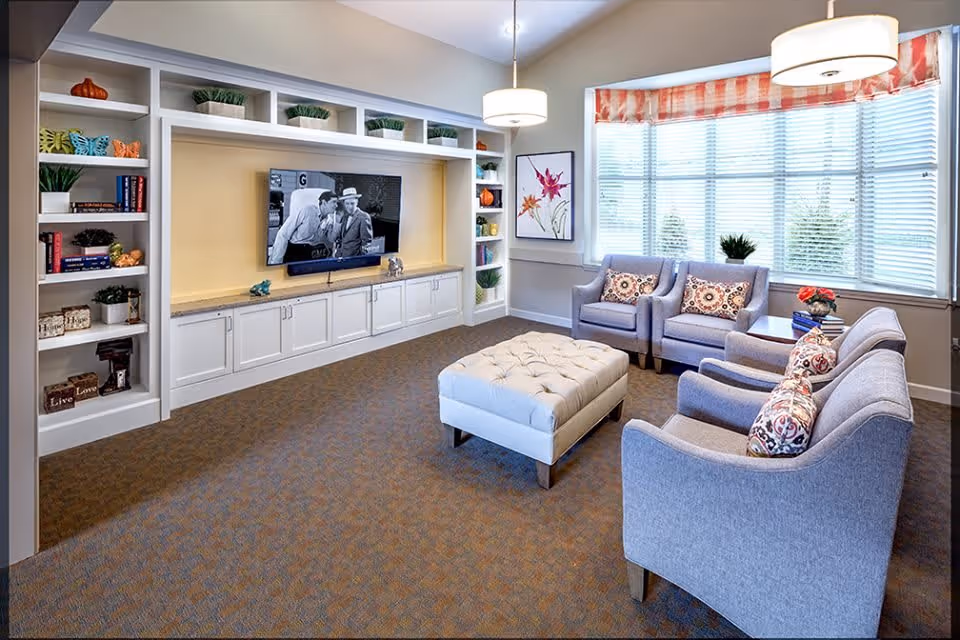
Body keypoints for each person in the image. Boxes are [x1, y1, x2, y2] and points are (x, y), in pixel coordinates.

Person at [269, 191, 338, 264]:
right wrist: (276, 261)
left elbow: (331, 239)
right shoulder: (307, 211)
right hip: (295, 252)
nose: (336, 205)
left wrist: (337, 222)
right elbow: (283, 234)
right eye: (334, 202)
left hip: (310, 253)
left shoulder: (328, 220)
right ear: (324, 203)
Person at [334, 187, 373, 257]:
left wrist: (358, 260)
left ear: (357, 202)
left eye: (352, 203)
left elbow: (367, 243)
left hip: (354, 260)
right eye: (347, 204)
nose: (350, 207)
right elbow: (341, 239)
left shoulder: (363, 217)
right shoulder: (344, 217)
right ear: (344, 204)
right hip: (340, 257)